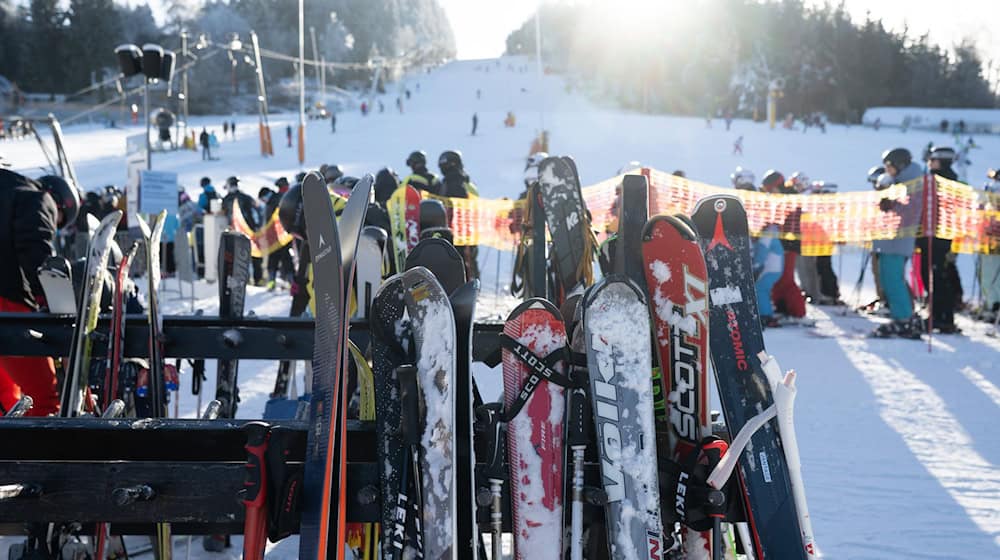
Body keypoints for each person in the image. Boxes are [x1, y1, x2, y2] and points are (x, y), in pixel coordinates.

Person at [0, 169, 77, 416]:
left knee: (6, 398)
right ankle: (40, 453)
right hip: (9, 308)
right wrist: (51, 299)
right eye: (58, 219)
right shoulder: (36, 198)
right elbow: (35, 251)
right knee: (42, 398)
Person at [872, 147, 925, 338]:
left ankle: (904, 319)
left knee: (893, 279)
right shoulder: (900, 182)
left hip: (899, 240)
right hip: (890, 239)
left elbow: (911, 209)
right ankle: (900, 316)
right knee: (888, 278)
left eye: (889, 166)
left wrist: (892, 204)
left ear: (900, 165)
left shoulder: (912, 182)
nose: (887, 170)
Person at [921, 146, 962, 332]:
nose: (929, 163)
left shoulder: (948, 182)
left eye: (933, 160)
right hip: (929, 236)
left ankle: (944, 316)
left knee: (938, 276)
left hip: (940, 239)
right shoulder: (931, 180)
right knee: (928, 274)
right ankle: (936, 313)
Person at [762, 170, 807, 319]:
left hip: (789, 244)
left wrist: (786, 243)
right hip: (781, 243)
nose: (771, 193)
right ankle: (782, 305)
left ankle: (798, 311)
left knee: (787, 278)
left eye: (771, 189)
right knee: (779, 278)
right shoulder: (781, 198)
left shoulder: (790, 198)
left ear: (777, 185)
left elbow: (789, 224)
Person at [438, 150, 480, 278]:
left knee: (458, 263)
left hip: (455, 231)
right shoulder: (468, 184)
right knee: (470, 261)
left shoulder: (452, 182)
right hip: (471, 230)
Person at [221, 176, 263, 285]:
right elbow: (257, 209)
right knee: (254, 254)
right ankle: (258, 279)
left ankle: (244, 279)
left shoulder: (226, 199)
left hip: (235, 231)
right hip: (251, 230)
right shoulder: (246, 197)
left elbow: (224, 213)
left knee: (238, 256)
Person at [259, 187, 293, 289]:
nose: (263, 201)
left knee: (284, 258)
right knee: (277, 258)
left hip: (281, 236)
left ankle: (290, 281)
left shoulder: (278, 199)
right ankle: (274, 281)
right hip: (275, 236)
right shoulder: (272, 201)